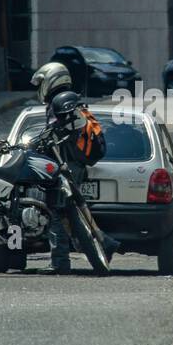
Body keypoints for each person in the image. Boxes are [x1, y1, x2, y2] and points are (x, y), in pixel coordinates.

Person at [29, 62, 119, 274]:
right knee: (70, 213)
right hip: (73, 164)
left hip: (68, 165)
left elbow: (53, 132)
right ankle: (104, 244)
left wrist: (34, 144)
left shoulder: (61, 102)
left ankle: (59, 262)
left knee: (57, 211)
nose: (40, 87)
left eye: (42, 82)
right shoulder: (69, 101)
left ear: (51, 80)